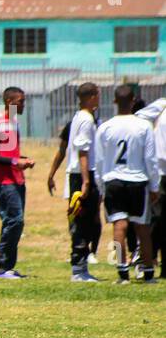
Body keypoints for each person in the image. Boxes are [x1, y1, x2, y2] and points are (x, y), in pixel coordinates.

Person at [94, 84, 160, 284]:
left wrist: (100, 186)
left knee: (119, 226)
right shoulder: (143, 126)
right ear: (134, 101)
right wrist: (154, 186)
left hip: (113, 180)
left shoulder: (105, 127)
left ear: (114, 102)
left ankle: (122, 272)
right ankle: (148, 272)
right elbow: (151, 159)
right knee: (142, 228)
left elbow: (98, 161)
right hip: (137, 181)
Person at [48, 82, 101, 282]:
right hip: (81, 175)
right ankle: (79, 270)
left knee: (82, 222)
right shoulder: (86, 119)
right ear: (92, 96)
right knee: (83, 222)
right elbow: (83, 151)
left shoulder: (78, 117)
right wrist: (87, 181)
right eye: (97, 95)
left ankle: (81, 268)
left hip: (76, 175)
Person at [0, 86, 35, 278]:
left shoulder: (14, 123)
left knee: (16, 223)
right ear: (9, 102)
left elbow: (10, 153)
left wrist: (23, 160)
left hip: (17, 179)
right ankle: (2, 267)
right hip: (4, 181)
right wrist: (15, 161)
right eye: (21, 101)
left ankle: (8, 267)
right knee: (14, 220)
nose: (24, 105)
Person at [134, 97, 166, 273]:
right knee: (156, 220)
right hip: (161, 172)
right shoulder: (162, 105)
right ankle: (146, 260)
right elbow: (138, 117)